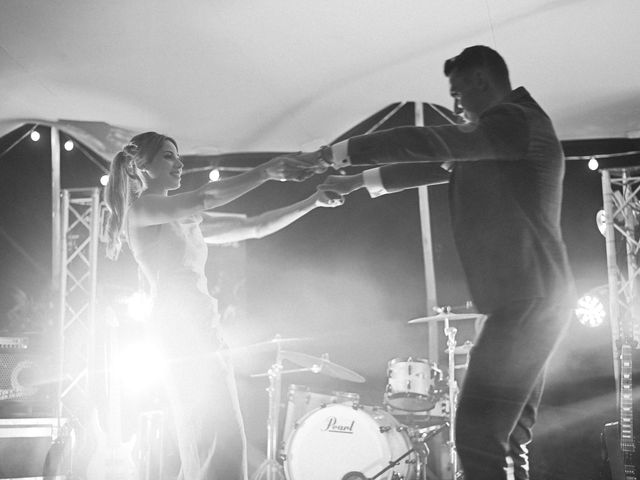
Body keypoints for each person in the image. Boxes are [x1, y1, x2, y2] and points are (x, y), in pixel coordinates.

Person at [287, 45, 576, 480]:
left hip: (527, 300)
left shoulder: (514, 121)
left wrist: (334, 153)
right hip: (533, 300)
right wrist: (353, 182)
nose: (456, 105)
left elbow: (429, 141)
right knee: (507, 439)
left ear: (482, 80)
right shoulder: (497, 138)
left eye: (458, 93)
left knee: (477, 435)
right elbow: (434, 164)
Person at [103, 131, 341, 480]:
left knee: (216, 443)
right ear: (143, 166)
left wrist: (313, 201)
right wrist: (266, 171)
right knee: (218, 443)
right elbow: (206, 197)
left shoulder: (180, 216)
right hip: (180, 333)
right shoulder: (144, 209)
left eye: (178, 155)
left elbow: (256, 227)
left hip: (204, 330)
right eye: (169, 156)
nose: (180, 163)